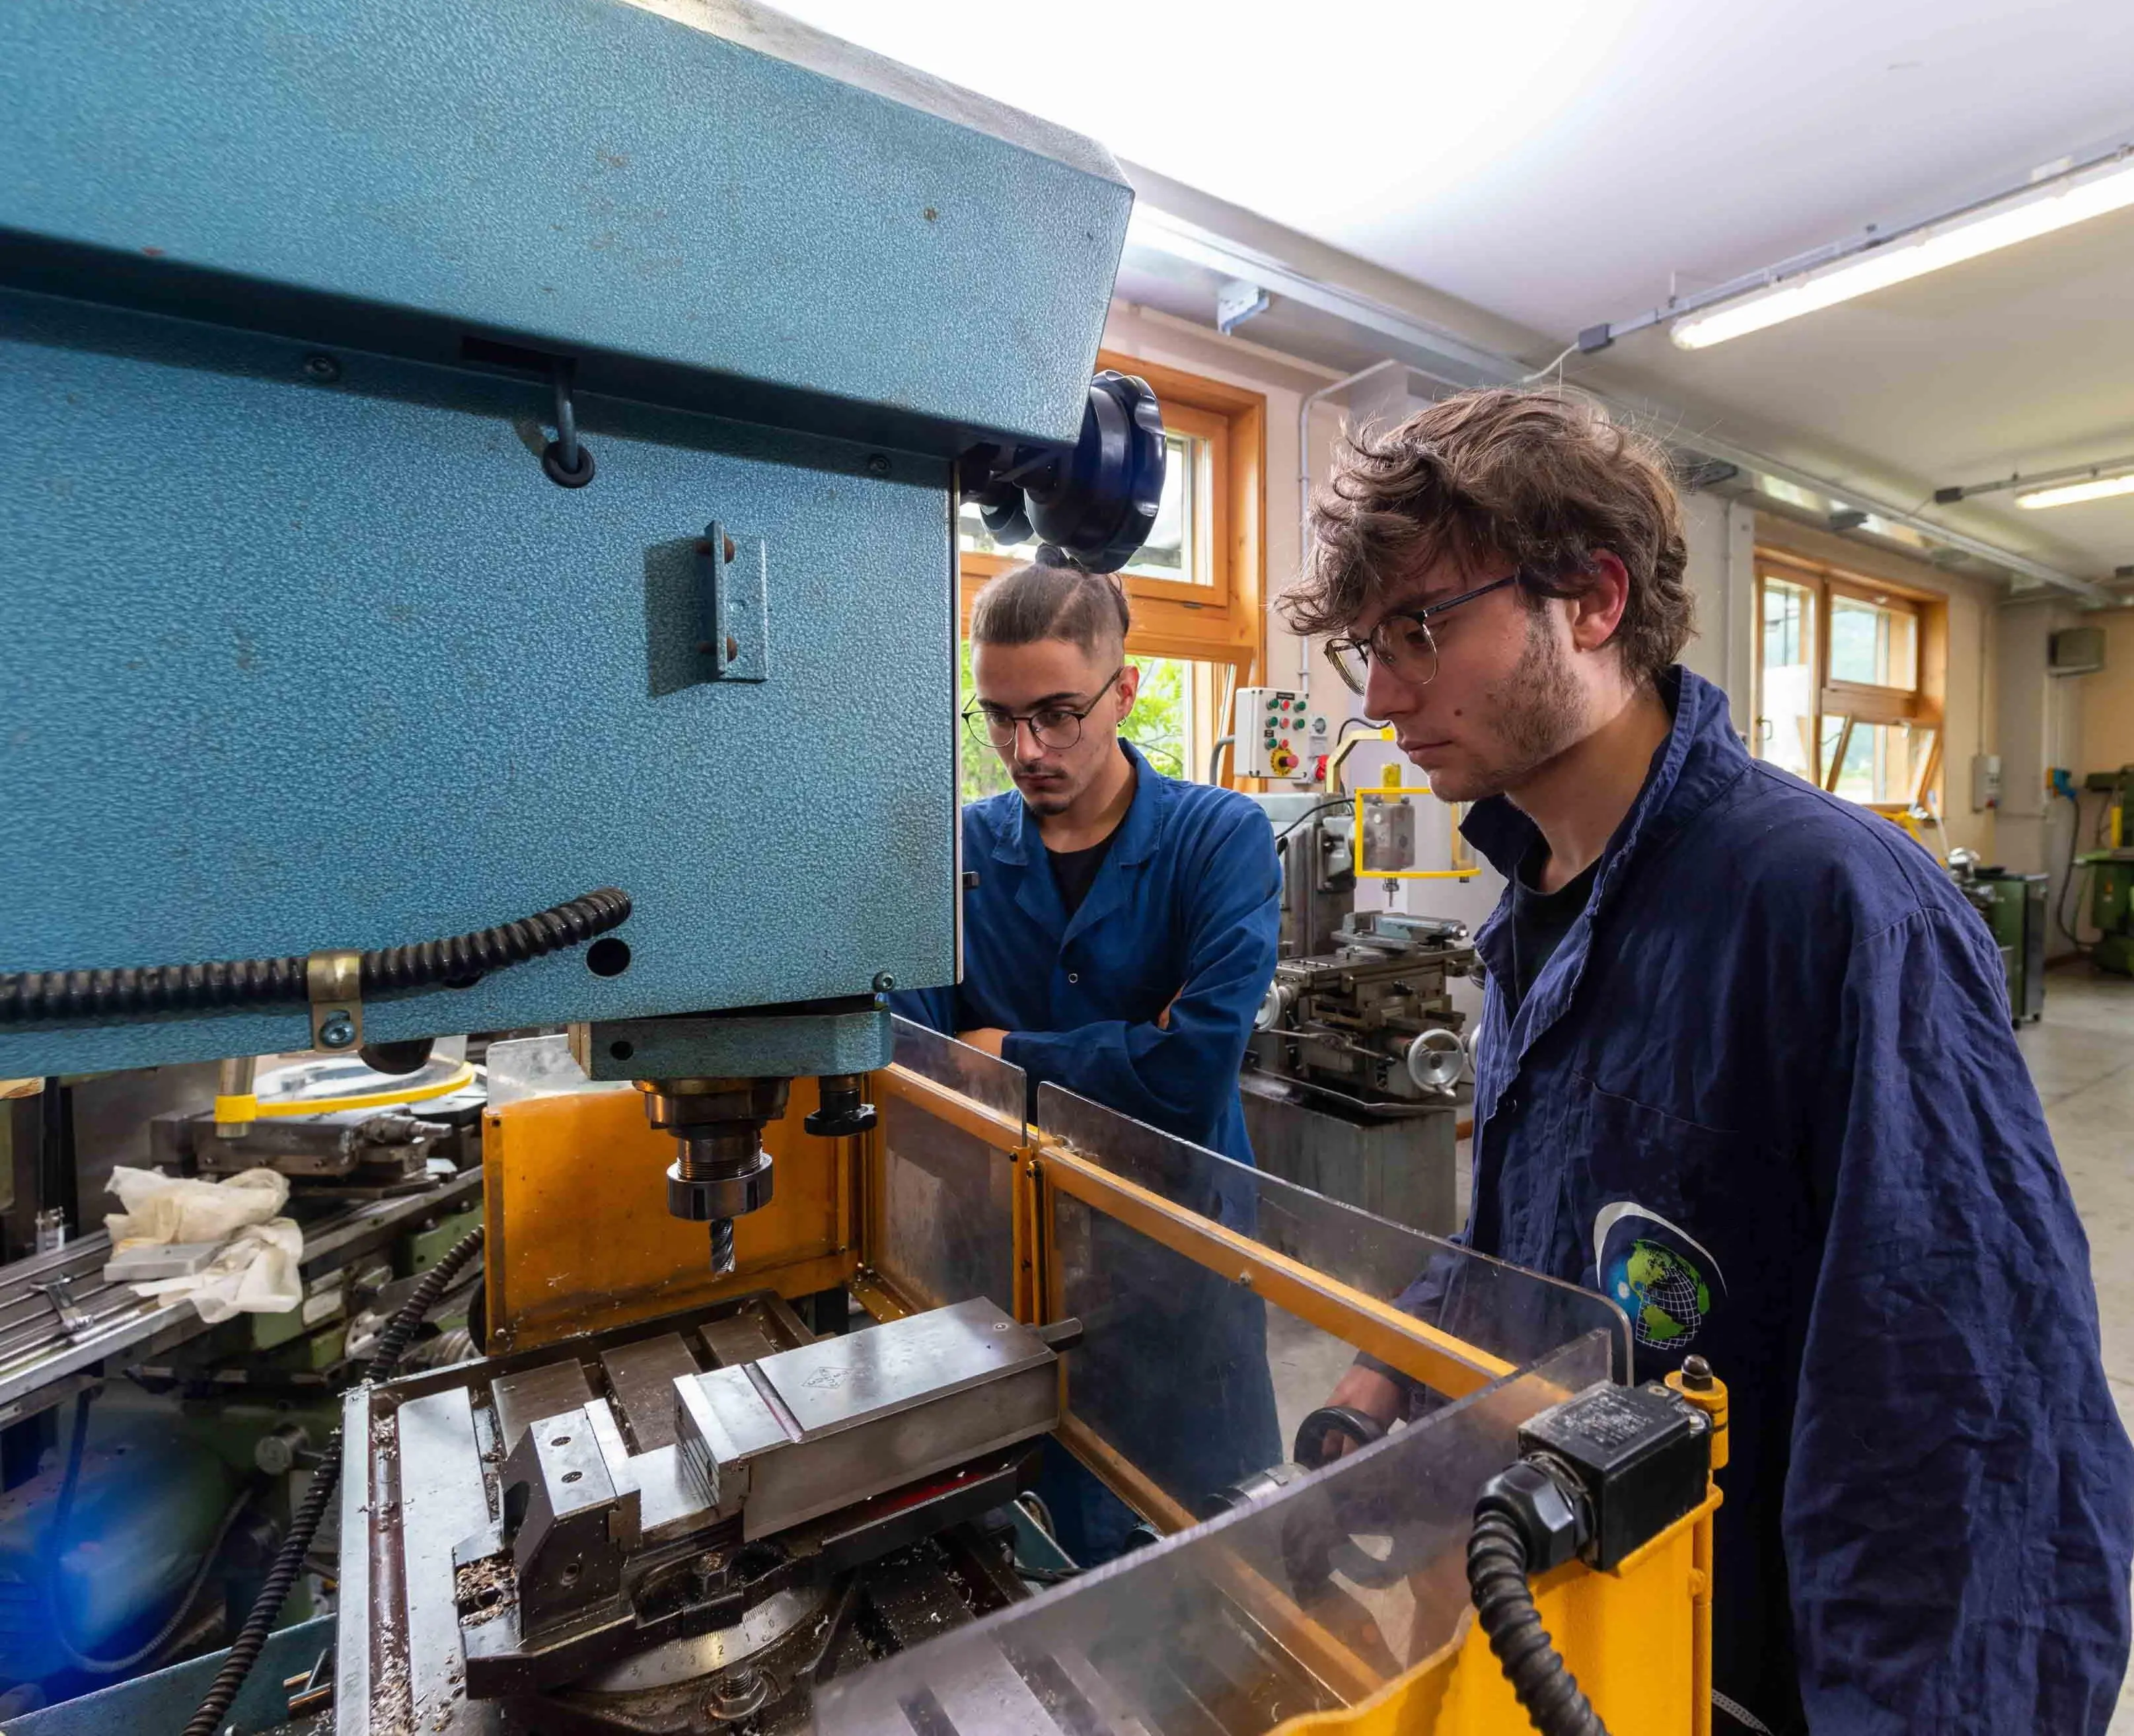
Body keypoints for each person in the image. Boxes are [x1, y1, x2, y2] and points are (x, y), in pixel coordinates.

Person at [1286, 388, 2133, 1735]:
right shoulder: (1538, 901)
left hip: (1766, 1668)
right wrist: (1391, 1374)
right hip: (1595, 1622)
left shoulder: (1834, 908)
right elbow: (1542, 1225)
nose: (1382, 693)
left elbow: (1968, 1428)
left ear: (1595, 599)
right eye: (1366, 645)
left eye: (1421, 628)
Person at [893, 555, 1282, 1555]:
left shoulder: (1219, 838)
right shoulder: (958, 852)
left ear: (1125, 690)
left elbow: (1191, 1072)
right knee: (1016, 1529)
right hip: (996, 1255)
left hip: (1174, 1257)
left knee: (1202, 1545)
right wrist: (1121, 1047)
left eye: (1058, 713)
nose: (1026, 749)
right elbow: (920, 1066)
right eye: (1000, 717)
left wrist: (1005, 1049)